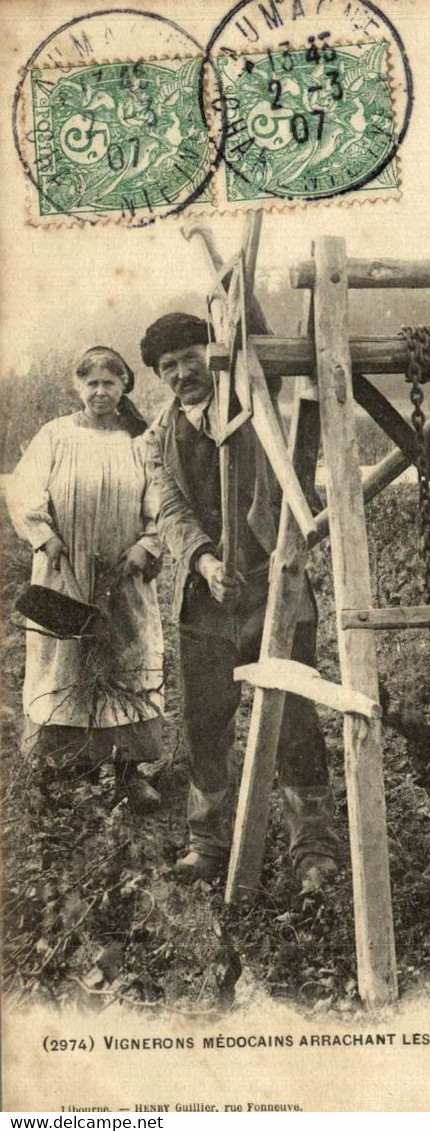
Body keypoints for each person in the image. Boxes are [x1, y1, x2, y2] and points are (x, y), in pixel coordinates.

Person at [141, 313, 337, 886]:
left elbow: (256, 337)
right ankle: (209, 843)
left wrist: (237, 296)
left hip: (275, 587)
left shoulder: (253, 399)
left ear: (215, 353)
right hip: (205, 602)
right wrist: (203, 561)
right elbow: (172, 510)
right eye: (167, 367)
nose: (182, 374)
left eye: (190, 357)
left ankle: (314, 849)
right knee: (206, 721)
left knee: (294, 718)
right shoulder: (156, 438)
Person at [6, 347, 165, 809]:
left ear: (123, 387)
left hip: (125, 574)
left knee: (127, 661)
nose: (100, 391)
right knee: (65, 662)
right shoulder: (54, 436)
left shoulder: (141, 438)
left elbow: (162, 499)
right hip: (64, 569)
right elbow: (24, 491)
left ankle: (129, 773)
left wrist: (146, 545)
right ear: (78, 387)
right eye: (91, 383)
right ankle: (68, 771)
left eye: (109, 383)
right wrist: (45, 537)